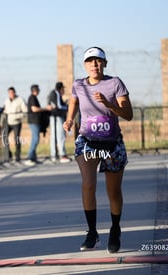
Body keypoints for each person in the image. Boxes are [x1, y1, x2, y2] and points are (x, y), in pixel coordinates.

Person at [63, 47, 133, 253]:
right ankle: (92, 233)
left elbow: (128, 114)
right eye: (90, 61)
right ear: (85, 65)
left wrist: (110, 105)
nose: (94, 64)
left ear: (105, 63)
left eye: (98, 61)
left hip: (112, 143)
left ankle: (115, 229)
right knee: (88, 184)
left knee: (113, 192)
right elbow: (73, 103)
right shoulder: (79, 84)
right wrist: (69, 119)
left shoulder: (115, 83)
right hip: (87, 141)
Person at [24, 84, 52, 166]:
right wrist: (46, 108)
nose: (39, 91)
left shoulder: (34, 98)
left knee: (35, 139)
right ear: (35, 90)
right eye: (38, 89)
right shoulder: (32, 97)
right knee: (35, 139)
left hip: (36, 121)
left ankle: (33, 158)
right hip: (33, 121)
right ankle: (29, 158)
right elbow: (34, 109)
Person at [2, 86, 28, 163]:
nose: (11, 94)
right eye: (9, 93)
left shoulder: (20, 100)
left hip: (16, 122)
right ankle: (8, 154)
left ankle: (17, 155)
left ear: (15, 92)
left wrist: (17, 116)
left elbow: (25, 111)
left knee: (16, 138)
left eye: (12, 92)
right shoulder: (6, 101)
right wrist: (1, 122)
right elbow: (4, 111)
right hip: (8, 122)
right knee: (4, 137)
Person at [47, 81, 71, 163]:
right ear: (60, 89)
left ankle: (54, 155)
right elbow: (59, 106)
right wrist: (67, 107)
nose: (63, 91)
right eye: (63, 89)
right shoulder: (56, 93)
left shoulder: (53, 93)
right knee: (60, 136)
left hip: (54, 117)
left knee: (55, 137)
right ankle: (62, 155)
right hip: (57, 117)